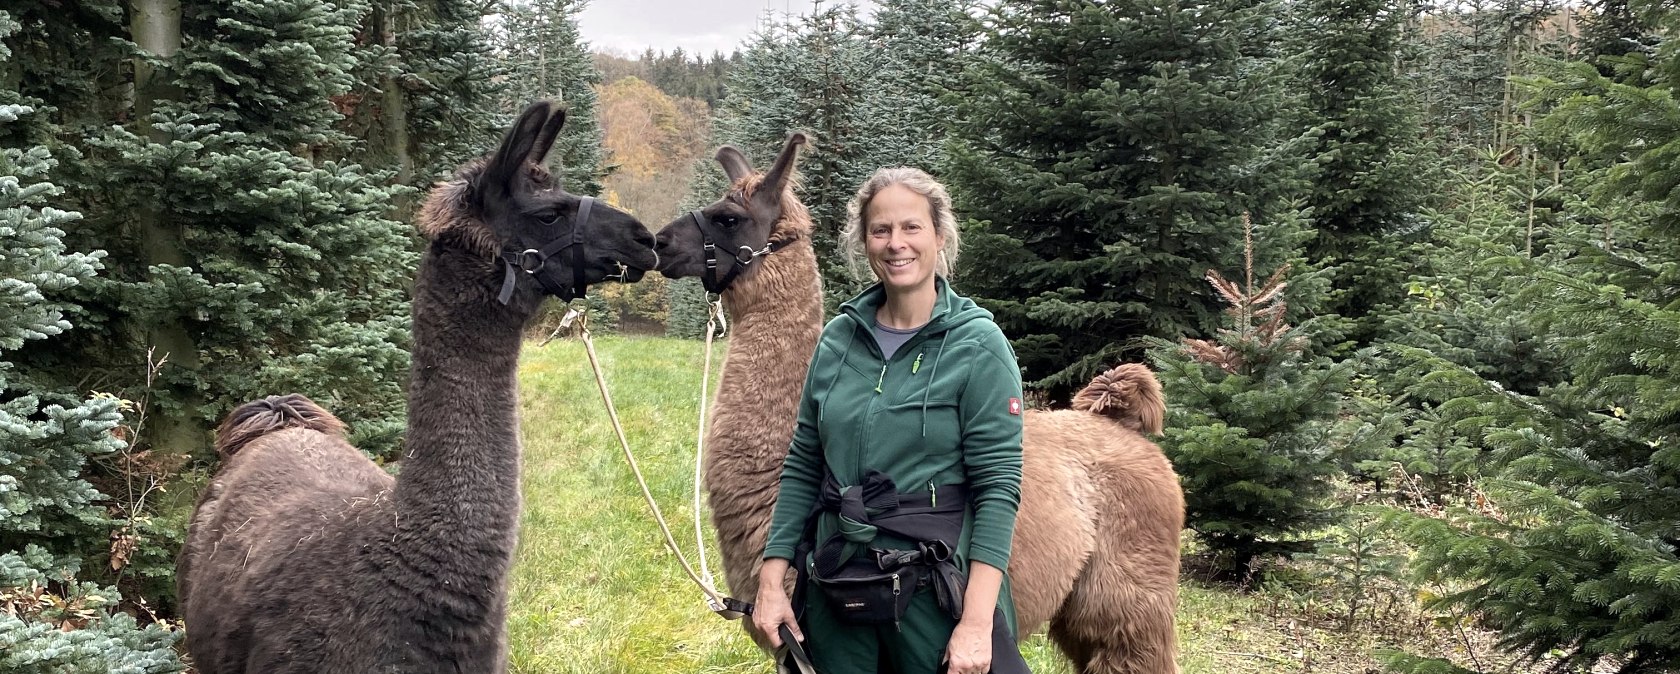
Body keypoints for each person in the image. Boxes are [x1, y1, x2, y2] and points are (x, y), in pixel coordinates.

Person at [753, 167, 1030, 674]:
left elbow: (998, 489)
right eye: (880, 230)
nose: (895, 243)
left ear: (939, 236)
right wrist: (772, 583)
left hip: (933, 591)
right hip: (837, 581)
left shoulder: (977, 345)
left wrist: (975, 623)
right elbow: (803, 465)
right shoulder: (838, 338)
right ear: (865, 241)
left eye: (911, 227)